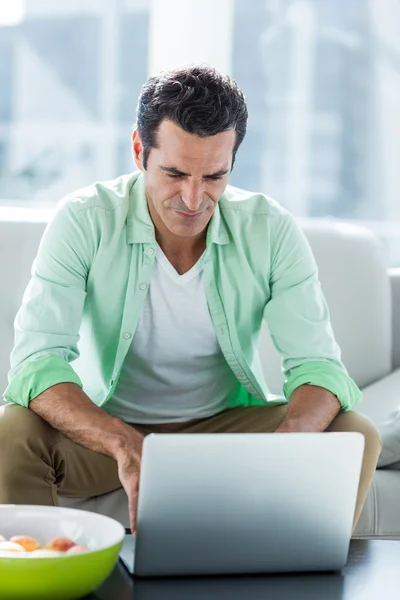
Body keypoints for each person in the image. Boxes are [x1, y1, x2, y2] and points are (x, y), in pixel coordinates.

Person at [0, 64, 381, 533]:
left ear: (233, 162)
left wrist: (291, 445)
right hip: (107, 430)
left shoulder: (270, 228)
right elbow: (37, 363)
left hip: (223, 429)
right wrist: (127, 446)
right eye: (175, 173)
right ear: (140, 151)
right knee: (11, 431)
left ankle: (290, 574)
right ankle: (44, 573)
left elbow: (318, 365)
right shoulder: (84, 219)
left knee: (354, 432)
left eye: (214, 176)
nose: (194, 198)